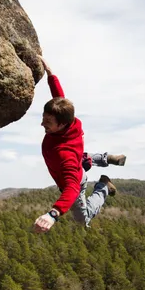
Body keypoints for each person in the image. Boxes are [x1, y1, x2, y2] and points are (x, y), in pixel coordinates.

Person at [34, 56, 126, 233]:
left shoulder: (64, 155)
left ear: (61, 124)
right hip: (76, 160)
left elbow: (72, 187)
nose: (42, 124)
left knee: (82, 219)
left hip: (76, 177)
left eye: (48, 122)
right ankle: (108, 158)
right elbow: (59, 98)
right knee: (81, 156)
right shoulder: (71, 121)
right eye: (43, 118)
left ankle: (103, 187)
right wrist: (51, 74)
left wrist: (53, 214)